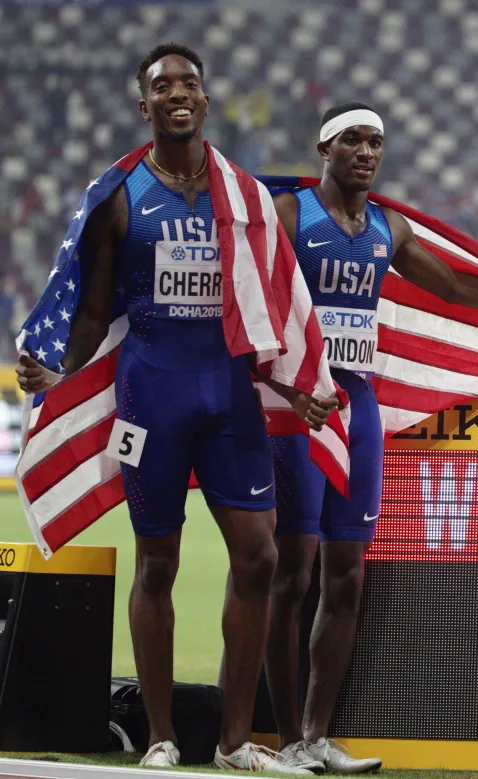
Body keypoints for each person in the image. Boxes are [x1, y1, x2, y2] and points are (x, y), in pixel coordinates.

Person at [14, 44, 334, 772]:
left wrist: (298, 386)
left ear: (206, 100)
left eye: (190, 83)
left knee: (259, 554)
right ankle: (160, 735)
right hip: (151, 394)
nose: (178, 93)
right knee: (157, 559)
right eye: (164, 86)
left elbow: (267, 310)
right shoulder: (121, 196)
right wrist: (55, 367)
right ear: (145, 106)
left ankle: (232, 741)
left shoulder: (245, 196)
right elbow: (93, 315)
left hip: (228, 396)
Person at [264, 102, 478, 774]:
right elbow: (250, 296)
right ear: (323, 149)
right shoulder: (293, 217)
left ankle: (316, 735)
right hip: (298, 405)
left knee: (347, 576)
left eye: (376, 141)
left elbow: (454, 287)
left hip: (357, 403)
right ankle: (275, 740)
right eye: (352, 140)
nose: (365, 151)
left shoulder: (389, 227)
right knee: (291, 573)